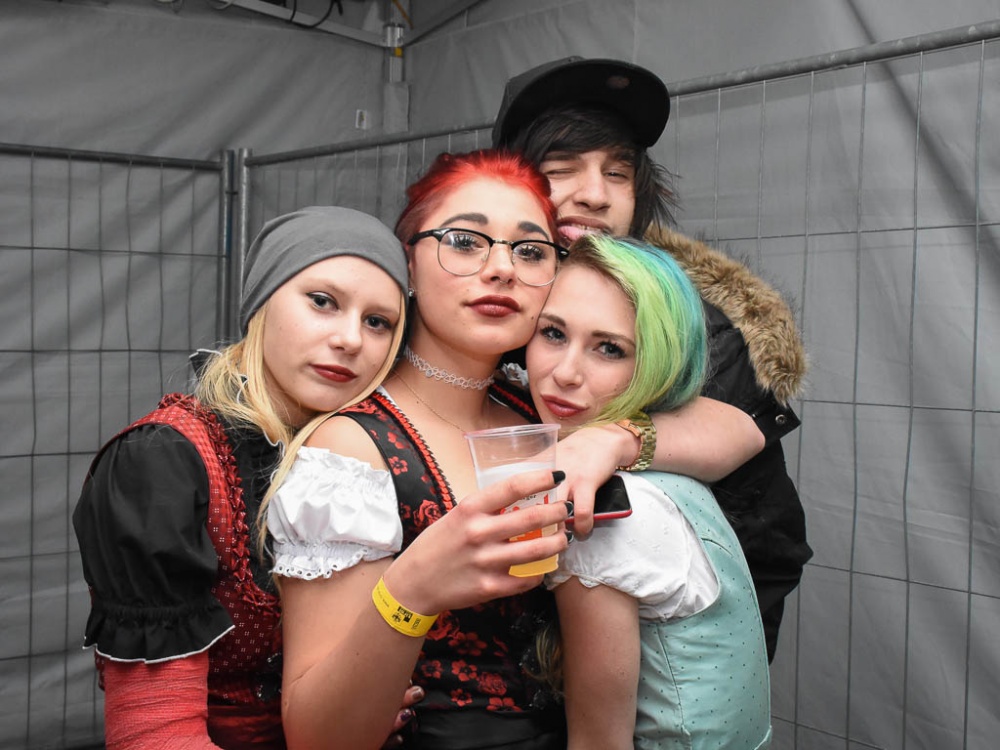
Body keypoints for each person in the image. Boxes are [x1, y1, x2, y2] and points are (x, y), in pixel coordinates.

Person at [265, 150, 760, 750]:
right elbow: (318, 739)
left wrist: (614, 438)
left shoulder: (543, 400)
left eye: (529, 251)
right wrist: (410, 592)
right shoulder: (352, 449)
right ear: (409, 265)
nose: (501, 269)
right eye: (464, 241)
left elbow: (741, 431)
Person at [493, 57, 813, 660]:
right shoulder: (486, 300)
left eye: (617, 173)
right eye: (561, 169)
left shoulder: (687, 316)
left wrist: (610, 440)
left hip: (686, 642)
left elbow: (735, 427)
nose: (595, 194)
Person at [71, 206, 416, 750]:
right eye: (322, 301)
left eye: (378, 322)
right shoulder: (161, 462)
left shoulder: (363, 465)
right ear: (261, 304)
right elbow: (154, 736)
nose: (350, 339)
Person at [526, 233, 772, 749]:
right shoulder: (668, 472)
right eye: (552, 333)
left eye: (609, 349)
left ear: (658, 361)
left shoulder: (607, 513)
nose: (564, 373)